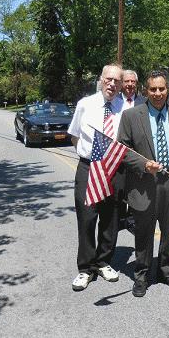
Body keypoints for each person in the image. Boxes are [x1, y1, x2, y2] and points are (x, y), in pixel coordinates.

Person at [117, 71, 169, 297]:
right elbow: (122, 150)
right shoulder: (131, 116)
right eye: (152, 89)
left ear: (167, 89)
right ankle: (141, 274)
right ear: (145, 91)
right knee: (144, 233)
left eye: (161, 89)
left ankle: (167, 270)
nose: (157, 93)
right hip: (143, 184)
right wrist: (143, 165)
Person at [68, 63, 126, 291]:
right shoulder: (85, 104)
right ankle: (85, 268)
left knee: (111, 219)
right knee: (87, 218)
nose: (112, 84)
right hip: (89, 168)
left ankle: (103, 261)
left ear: (122, 84)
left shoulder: (125, 108)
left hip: (114, 169)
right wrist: (87, 157)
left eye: (117, 81)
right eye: (108, 79)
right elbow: (74, 136)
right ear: (101, 79)